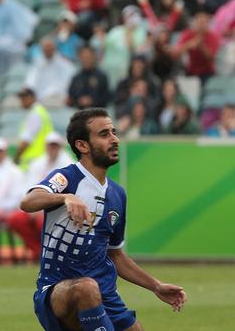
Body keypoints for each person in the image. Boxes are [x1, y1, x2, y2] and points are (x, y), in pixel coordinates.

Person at [22, 108, 186, 331]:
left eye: (113, 132)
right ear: (82, 145)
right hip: (57, 289)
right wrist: (66, 197)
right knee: (87, 288)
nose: (114, 139)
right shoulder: (67, 177)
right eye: (104, 134)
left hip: (106, 294)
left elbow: (115, 254)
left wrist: (155, 286)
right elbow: (29, 201)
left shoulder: (118, 195)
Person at [13, 88, 54, 169]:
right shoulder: (41, 111)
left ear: (33, 97)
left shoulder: (35, 114)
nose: (22, 100)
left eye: (25, 97)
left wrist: (15, 159)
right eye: (21, 98)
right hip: (41, 160)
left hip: (33, 163)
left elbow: (26, 140)